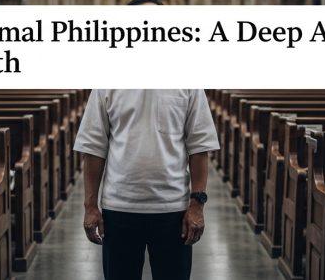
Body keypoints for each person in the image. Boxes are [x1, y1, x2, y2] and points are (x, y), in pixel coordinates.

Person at [74, 89, 219, 280]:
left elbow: (199, 147)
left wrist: (197, 204)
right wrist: (90, 206)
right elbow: (94, 147)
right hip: (119, 207)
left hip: (173, 210)